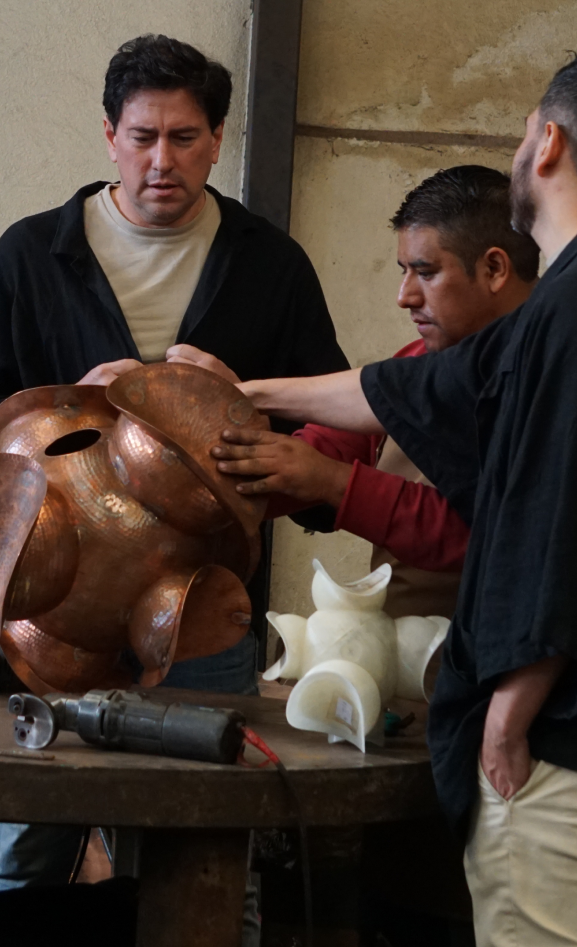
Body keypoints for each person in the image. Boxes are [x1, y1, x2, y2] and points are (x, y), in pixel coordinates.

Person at [221, 53, 577, 947]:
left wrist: (510, 710)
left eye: (522, 134)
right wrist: (241, 391)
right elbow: (403, 389)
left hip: (570, 763)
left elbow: (570, 529)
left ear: (547, 143)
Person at [0, 34, 348, 941]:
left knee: (198, 843)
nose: (162, 161)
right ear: (108, 135)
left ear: (216, 140)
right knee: (32, 845)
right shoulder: (32, 255)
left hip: (206, 606)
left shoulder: (268, 263)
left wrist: (235, 412)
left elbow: (328, 431)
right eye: (142, 136)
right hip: (60, 602)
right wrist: (67, 413)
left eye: (186, 137)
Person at [187, 164, 538, 620]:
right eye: (404, 271)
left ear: (494, 268)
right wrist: (215, 464)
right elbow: (333, 443)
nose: (404, 295)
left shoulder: (546, 380)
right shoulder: (416, 358)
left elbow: (478, 535)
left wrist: (328, 481)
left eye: (426, 273)